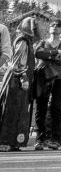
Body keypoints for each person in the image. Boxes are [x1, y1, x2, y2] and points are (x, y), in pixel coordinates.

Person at [33, 19, 61, 150]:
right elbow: (38, 53)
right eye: (53, 25)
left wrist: (47, 55)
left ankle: (55, 139)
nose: (55, 27)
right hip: (44, 76)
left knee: (56, 107)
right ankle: (40, 139)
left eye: (58, 26)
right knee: (41, 106)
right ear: (49, 28)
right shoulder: (42, 42)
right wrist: (55, 53)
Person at [0, 18, 38, 151]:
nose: (34, 29)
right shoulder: (22, 41)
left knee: (20, 110)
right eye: (32, 26)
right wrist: (23, 76)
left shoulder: (27, 42)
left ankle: (15, 141)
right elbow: (17, 62)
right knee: (11, 109)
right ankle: (5, 141)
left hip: (21, 80)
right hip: (16, 80)